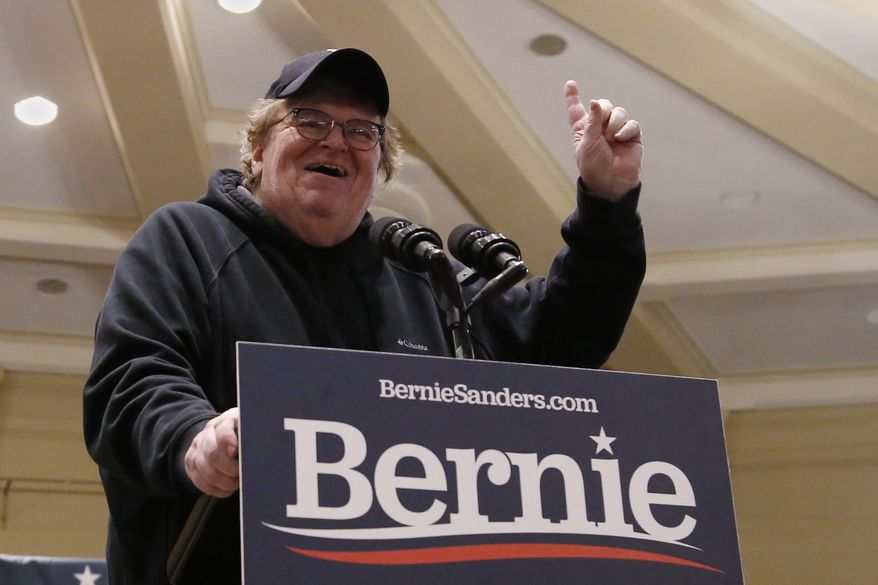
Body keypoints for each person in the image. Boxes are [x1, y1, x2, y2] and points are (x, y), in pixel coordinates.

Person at [83, 47, 645, 584]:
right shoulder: (187, 239)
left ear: (380, 169)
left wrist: (608, 200)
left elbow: (562, 332)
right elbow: (131, 381)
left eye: (362, 131)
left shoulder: (425, 277)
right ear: (257, 148)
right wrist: (191, 436)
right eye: (309, 120)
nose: (337, 141)